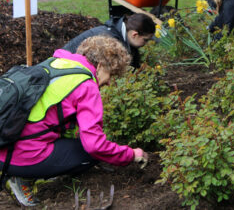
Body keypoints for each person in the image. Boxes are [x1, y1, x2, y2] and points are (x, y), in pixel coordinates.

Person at [0, 36, 148, 207]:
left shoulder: (56, 62)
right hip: (21, 157)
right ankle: (23, 177)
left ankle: (26, 170)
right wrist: (130, 154)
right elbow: (95, 146)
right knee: (90, 155)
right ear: (100, 66)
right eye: (111, 74)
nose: (108, 82)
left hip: (5, 144)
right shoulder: (86, 85)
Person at [62, 13, 156, 68]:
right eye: (145, 40)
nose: (146, 44)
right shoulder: (111, 42)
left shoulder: (118, 32)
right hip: (65, 69)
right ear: (134, 34)